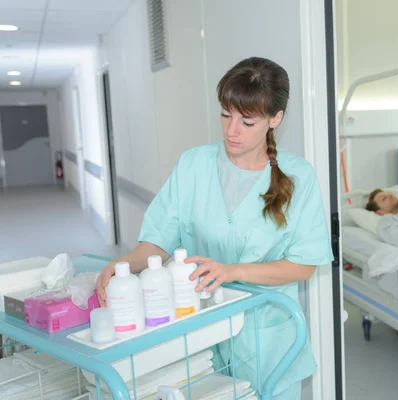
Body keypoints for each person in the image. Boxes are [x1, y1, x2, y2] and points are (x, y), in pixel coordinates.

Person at [95, 57, 333, 399]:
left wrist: (232, 270)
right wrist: (120, 267)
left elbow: (304, 264)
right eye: (225, 115)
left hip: (267, 339)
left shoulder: (299, 177)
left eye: (247, 121)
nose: (231, 130)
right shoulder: (193, 165)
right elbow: (158, 240)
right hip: (199, 333)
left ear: (275, 119)